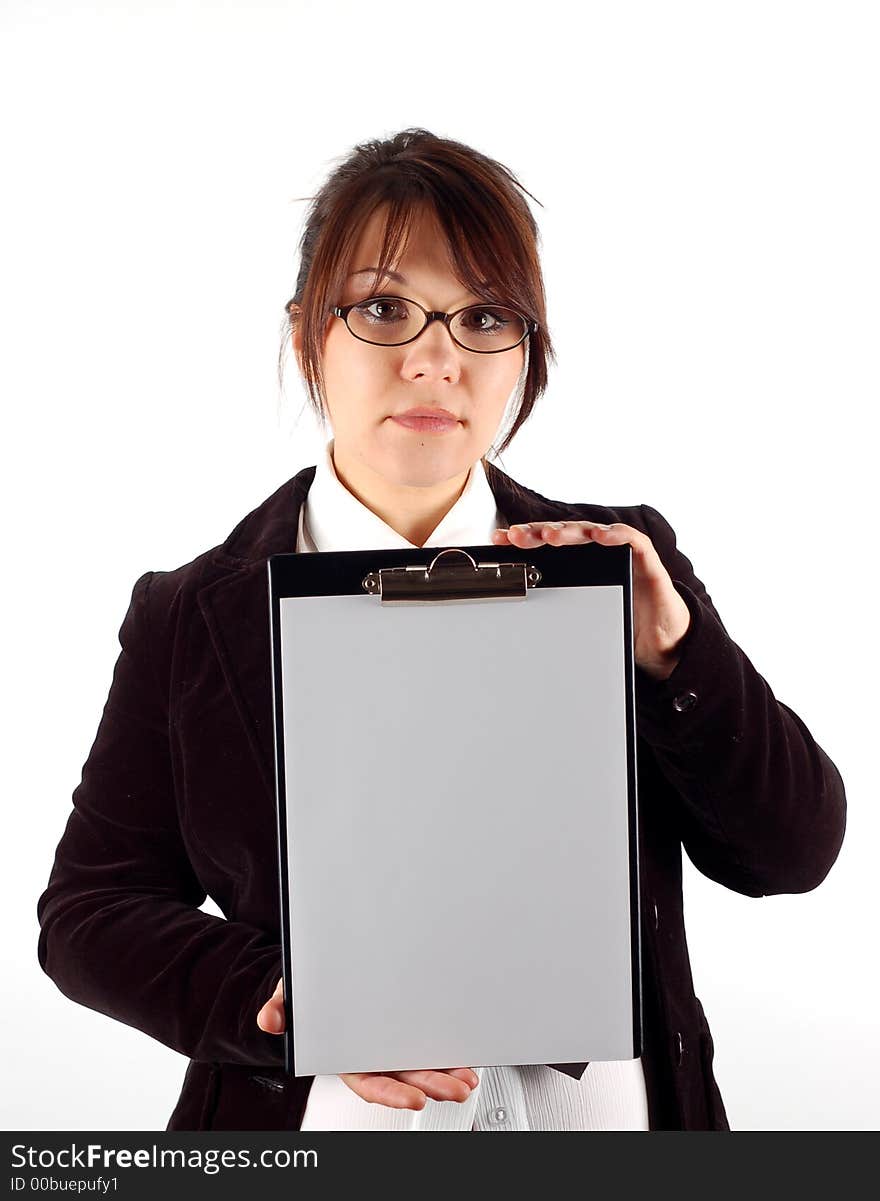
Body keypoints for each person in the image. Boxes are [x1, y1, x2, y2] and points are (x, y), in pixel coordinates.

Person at [36, 128, 847, 1132]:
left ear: (524, 351)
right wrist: (278, 996)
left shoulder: (626, 569)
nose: (434, 358)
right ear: (306, 338)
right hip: (314, 1125)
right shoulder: (191, 615)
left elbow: (793, 851)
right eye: (382, 307)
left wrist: (674, 652)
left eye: (484, 316)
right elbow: (88, 914)